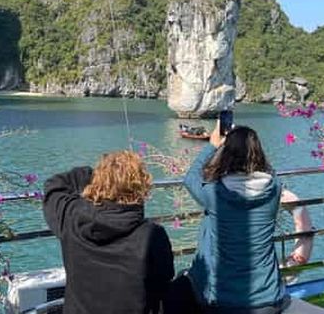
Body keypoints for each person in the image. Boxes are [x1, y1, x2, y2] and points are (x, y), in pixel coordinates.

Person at [166, 122, 291, 314]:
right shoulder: (273, 189)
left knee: (184, 283)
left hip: (223, 302)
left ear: (227, 154)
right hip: (268, 299)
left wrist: (213, 145)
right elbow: (269, 172)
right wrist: (249, 148)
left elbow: (190, 178)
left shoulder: (215, 193)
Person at [42, 150, 174, 314]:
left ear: (97, 183)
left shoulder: (72, 218)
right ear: (141, 187)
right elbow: (165, 277)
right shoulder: (152, 235)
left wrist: (93, 174)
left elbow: (54, 186)